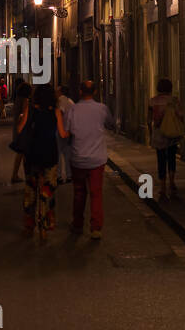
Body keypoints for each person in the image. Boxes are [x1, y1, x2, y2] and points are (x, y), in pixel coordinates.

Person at [62, 80, 115, 238]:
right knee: (96, 193)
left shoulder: (73, 110)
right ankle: (96, 227)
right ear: (95, 92)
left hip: (78, 157)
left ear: (80, 91)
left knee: (79, 193)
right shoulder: (102, 109)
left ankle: (78, 224)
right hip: (97, 159)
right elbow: (111, 123)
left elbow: (66, 130)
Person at [18, 83, 66, 240]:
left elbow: (20, 130)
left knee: (31, 191)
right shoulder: (56, 112)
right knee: (47, 192)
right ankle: (44, 227)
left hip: (32, 154)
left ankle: (29, 226)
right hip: (50, 154)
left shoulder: (30, 110)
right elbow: (63, 134)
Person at [149, 77, 183, 199]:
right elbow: (180, 116)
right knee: (172, 158)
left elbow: (150, 119)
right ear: (170, 88)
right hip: (171, 133)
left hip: (159, 134)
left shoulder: (153, 101)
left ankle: (162, 187)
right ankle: (172, 181)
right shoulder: (174, 100)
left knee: (161, 160)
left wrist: (150, 132)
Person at [9, 81, 32, 182]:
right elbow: (24, 114)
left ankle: (17, 175)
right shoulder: (25, 100)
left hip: (17, 126)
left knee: (21, 153)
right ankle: (20, 176)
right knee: (23, 153)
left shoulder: (17, 99)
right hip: (23, 128)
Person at [55, 83, 76, 185]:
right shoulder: (71, 101)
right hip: (70, 130)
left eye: (57, 91)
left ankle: (58, 176)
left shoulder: (60, 100)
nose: (56, 93)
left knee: (58, 153)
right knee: (68, 153)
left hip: (61, 130)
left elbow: (60, 112)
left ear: (60, 92)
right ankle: (69, 175)